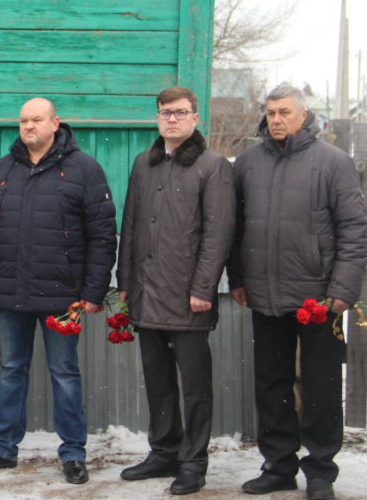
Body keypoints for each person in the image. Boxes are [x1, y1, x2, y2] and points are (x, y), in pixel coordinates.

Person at [0, 97, 117, 485]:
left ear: (55, 124)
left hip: (62, 295)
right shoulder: (1, 171)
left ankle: (72, 453)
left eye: (36, 120)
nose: (28, 127)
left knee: (65, 373)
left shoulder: (84, 170)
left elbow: (102, 236)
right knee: (11, 370)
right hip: (9, 292)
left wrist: (94, 291)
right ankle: (3, 448)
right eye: (23, 121)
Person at [228, 84, 367, 500]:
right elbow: (235, 229)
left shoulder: (332, 163)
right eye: (270, 112)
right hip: (265, 294)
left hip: (318, 298)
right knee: (271, 383)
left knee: (322, 385)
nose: (276, 119)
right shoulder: (248, 163)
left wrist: (342, 290)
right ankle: (278, 465)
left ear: (303, 115)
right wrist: (237, 278)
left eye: (284, 111)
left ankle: (321, 470)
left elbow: (354, 230)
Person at [116, 87, 235, 495]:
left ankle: (193, 462)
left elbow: (218, 234)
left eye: (180, 113)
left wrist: (204, 287)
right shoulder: (142, 164)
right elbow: (130, 225)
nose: (172, 119)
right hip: (148, 294)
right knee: (158, 379)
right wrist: (126, 282)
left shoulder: (212, 166)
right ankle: (163, 451)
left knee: (195, 385)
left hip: (189, 298)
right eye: (165, 113)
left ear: (195, 117)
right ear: (157, 117)